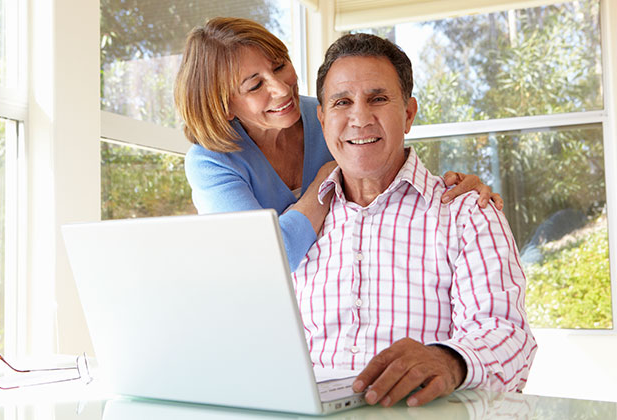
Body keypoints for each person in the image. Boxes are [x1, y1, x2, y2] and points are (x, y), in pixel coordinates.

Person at [292, 33, 536, 408]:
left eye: (378, 99)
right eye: (342, 102)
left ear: (408, 113)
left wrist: (450, 361)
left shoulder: (467, 213)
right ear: (323, 119)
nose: (359, 118)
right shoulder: (298, 228)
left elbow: (507, 335)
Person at [173, 17, 503, 271]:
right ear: (224, 104)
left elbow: (391, 176)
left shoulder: (330, 113)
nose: (281, 88)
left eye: (279, 66)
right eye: (256, 85)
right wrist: (324, 181)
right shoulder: (211, 161)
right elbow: (267, 260)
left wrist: (458, 188)